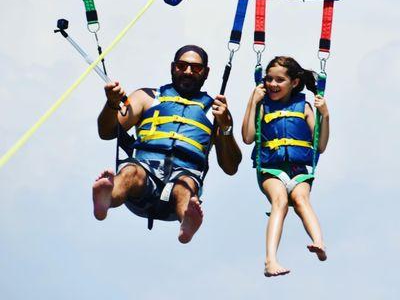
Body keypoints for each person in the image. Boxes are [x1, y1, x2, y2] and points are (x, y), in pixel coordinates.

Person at [93, 45, 242, 244]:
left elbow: (231, 167)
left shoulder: (215, 112)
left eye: (196, 68)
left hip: (184, 175)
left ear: (206, 73)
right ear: (173, 68)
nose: (188, 71)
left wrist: (225, 127)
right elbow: (107, 132)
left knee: (185, 186)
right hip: (144, 175)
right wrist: (112, 104)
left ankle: (187, 221)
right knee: (130, 172)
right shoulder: (146, 97)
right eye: (182, 66)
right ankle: (107, 197)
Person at [242, 56, 330, 277]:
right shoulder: (263, 107)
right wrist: (252, 103)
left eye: (279, 80)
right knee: (280, 201)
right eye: (269, 79)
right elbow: (247, 137)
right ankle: (270, 261)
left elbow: (320, 146)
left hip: (299, 171)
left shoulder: (305, 107)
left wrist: (325, 115)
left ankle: (319, 242)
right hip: (270, 169)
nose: (272, 84)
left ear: (295, 83)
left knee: (301, 200)